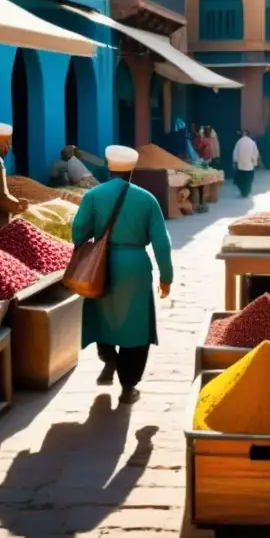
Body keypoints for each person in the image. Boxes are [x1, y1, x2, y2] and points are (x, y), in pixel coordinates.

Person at [73, 145, 173, 405]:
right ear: (133, 169)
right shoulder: (146, 199)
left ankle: (110, 361)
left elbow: (77, 233)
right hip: (136, 269)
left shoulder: (93, 196)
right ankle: (128, 387)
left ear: (109, 167)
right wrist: (166, 277)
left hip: (101, 267)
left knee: (102, 319)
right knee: (136, 328)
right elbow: (161, 243)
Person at [231, 130, 260, 198]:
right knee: (249, 180)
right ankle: (247, 191)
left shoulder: (239, 142)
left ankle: (243, 191)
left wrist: (235, 161)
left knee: (241, 179)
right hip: (249, 166)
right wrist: (254, 162)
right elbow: (255, 153)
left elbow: (235, 152)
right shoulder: (252, 142)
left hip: (241, 165)